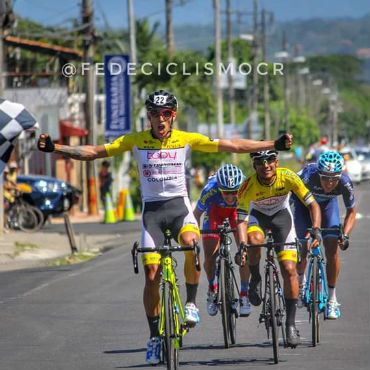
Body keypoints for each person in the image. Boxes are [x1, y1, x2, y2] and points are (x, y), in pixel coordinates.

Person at [37, 90, 293, 364]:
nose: (160, 118)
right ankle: (154, 337)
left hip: (180, 210)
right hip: (152, 214)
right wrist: (57, 148)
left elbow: (233, 145)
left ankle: (192, 303)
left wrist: (273, 143)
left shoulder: (185, 140)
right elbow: (95, 152)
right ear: (148, 116)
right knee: (150, 274)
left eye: (166, 113)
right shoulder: (135, 140)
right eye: (155, 114)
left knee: (193, 245)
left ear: (173, 115)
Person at [236, 150, 321, 347]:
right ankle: (256, 276)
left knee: (290, 269)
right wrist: (242, 245)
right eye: (260, 161)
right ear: (254, 165)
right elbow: (240, 217)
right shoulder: (247, 185)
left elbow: (312, 205)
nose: (266, 165)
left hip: (282, 218)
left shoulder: (288, 177)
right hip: (258, 216)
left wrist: (315, 228)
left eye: (270, 160)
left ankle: (290, 326)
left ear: (277, 161)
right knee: (254, 239)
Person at [293, 151, 356, 319]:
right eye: (325, 178)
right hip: (304, 207)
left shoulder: (345, 182)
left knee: (332, 247)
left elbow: (351, 211)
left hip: (328, 207)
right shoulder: (307, 175)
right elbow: (289, 195)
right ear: (318, 173)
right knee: (303, 244)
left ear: (340, 176)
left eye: (334, 178)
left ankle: (332, 299)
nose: (329, 183)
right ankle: (301, 283)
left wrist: (346, 235)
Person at [193, 164, 252, 318]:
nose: (231, 197)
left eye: (234, 192)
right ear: (219, 188)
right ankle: (212, 289)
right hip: (214, 212)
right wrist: (192, 236)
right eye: (226, 192)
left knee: (244, 254)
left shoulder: (246, 186)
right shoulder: (209, 190)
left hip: (236, 214)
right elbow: (196, 215)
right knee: (210, 257)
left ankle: (244, 295)